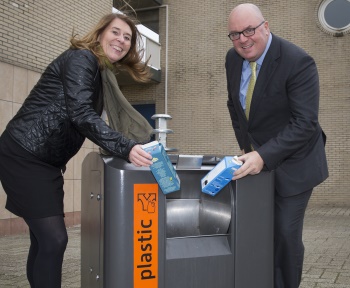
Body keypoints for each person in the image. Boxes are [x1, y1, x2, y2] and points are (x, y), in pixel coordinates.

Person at [0, 13, 154, 288]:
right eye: (116, 32)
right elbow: (82, 114)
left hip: (45, 161)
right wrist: (126, 147)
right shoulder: (82, 59)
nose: (121, 40)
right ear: (100, 33)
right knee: (54, 239)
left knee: (43, 240)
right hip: (25, 154)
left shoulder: (99, 71)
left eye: (127, 38)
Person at [225, 3, 328, 288]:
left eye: (249, 30)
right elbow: (234, 105)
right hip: (258, 159)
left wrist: (263, 154)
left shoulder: (298, 61)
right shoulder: (232, 60)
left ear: (265, 27)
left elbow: (305, 123)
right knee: (258, 230)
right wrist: (247, 148)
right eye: (234, 34)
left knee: (284, 234)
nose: (242, 39)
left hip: (296, 164)